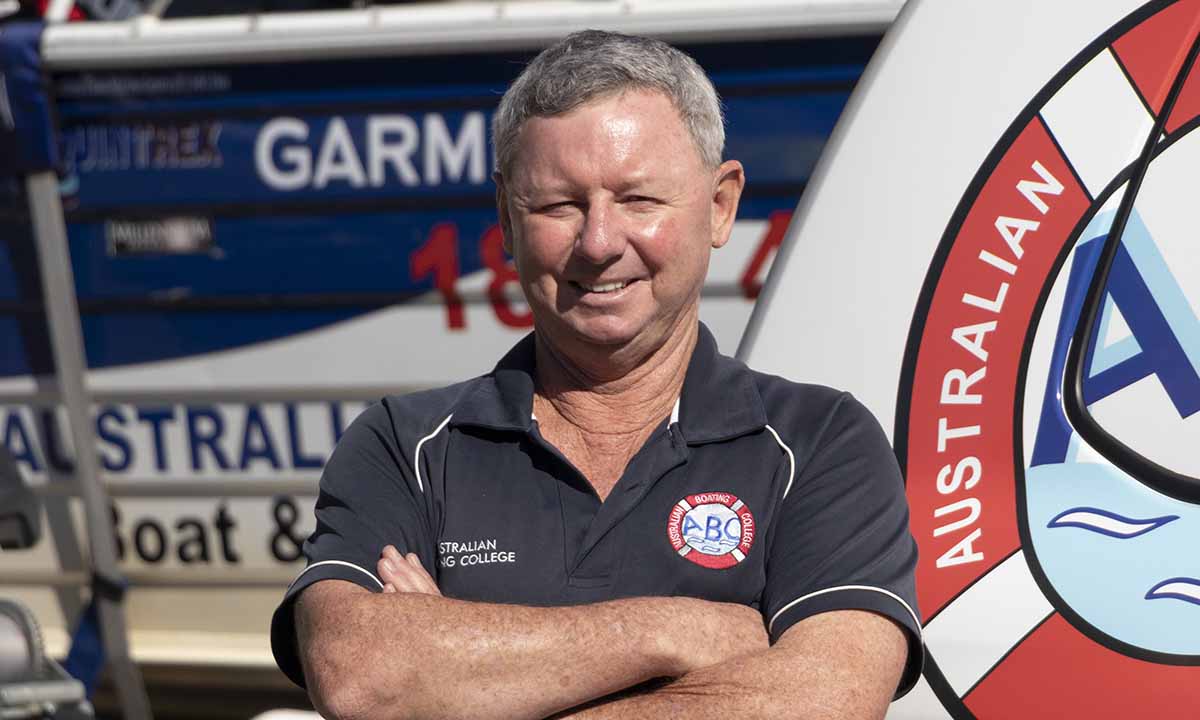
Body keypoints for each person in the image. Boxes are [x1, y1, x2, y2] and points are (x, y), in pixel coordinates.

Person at [271, 29, 922, 719]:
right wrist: (677, 631)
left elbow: (827, 700)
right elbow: (360, 675)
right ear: (506, 217)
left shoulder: (820, 443)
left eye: (639, 200)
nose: (601, 243)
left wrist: (466, 674)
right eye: (559, 206)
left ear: (720, 205)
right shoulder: (406, 448)